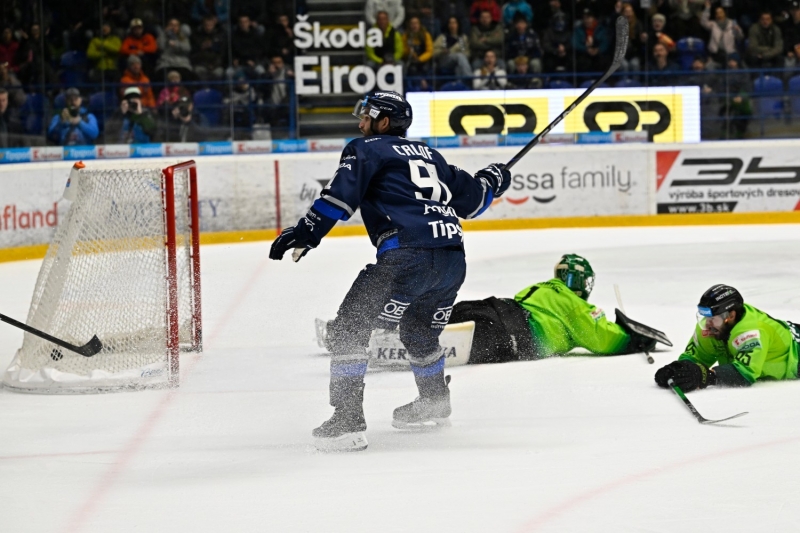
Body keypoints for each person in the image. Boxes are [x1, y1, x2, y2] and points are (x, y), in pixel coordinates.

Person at [269, 91, 511, 452]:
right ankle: (434, 401)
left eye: (366, 116)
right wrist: (493, 180)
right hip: (450, 261)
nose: (360, 122)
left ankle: (347, 419)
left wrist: (307, 232)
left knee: (349, 327)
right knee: (418, 330)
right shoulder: (431, 155)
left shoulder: (365, 149)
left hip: (406, 257)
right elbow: (473, 201)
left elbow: (340, 197)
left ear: (384, 122)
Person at [447, 254, 664, 363]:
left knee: (462, 311)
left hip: (499, 307)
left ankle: (428, 326)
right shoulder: (573, 304)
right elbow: (600, 337)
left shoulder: (541, 287)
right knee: (482, 337)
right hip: (514, 334)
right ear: (580, 281)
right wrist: (632, 338)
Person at [654, 285, 800, 392]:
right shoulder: (711, 326)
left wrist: (708, 376)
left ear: (731, 315)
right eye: (704, 316)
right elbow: (695, 358)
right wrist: (676, 369)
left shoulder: (752, 332)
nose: (707, 323)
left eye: (713, 317)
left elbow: (744, 374)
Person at [700, 2, 743, 69]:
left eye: (720, 12)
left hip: (729, 54)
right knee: (709, 67)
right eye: (717, 13)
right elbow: (703, 22)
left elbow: (740, 37)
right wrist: (707, 9)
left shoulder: (732, 23)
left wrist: (738, 30)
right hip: (715, 54)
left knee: (733, 65)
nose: (719, 14)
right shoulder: (712, 24)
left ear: (724, 13)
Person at [433, 16, 471, 82]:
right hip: (445, 61)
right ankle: (470, 79)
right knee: (459, 56)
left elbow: (468, 52)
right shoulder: (442, 37)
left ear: (458, 25)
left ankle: (460, 86)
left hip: (460, 61)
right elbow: (433, 52)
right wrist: (442, 51)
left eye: (454, 23)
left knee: (458, 67)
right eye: (450, 23)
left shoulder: (463, 37)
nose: (452, 25)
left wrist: (463, 56)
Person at [229, 14, 268, 79]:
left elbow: (259, 51)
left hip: (254, 63)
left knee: (261, 72)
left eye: (245, 22)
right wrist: (244, 60)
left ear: (249, 23)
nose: (243, 24)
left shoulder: (255, 35)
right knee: (229, 73)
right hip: (240, 63)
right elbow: (236, 51)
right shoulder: (235, 37)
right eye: (241, 22)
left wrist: (254, 61)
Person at [572, 8, 610, 73]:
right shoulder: (579, 29)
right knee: (581, 62)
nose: (586, 20)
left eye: (588, 18)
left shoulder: (601, 29)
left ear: (593, 18)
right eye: (584, 18)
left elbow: (605, 42)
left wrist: (598, 50)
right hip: (584, 55)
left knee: (604, 61)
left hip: (598, 54)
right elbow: (574, 43)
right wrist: (586, 49)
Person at [191, 15, 226, 81]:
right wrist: (201, 47)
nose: (208, 27)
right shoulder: (197, 36)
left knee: (218, 73)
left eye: (210, 25)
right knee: (198, 71)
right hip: (201, 64)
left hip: (216, 65)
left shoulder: (219, 36)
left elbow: (222, 54)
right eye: (206, 25)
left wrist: (214, 65)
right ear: (203, 25)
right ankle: (203, 90)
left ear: (214, 25)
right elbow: (194, 53)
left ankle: (216, 91)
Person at [403, 16, 434, 90]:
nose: (414, 26)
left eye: (416, 23)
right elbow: (403, 50)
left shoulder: (425, 35)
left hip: (423, 60)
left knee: (426, 68)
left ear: (419, 25)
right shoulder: (406, 36)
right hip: (411, 61)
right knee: (412, 69)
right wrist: (410, 52)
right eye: (412, 24)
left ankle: (426, 85)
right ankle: (418, 85)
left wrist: (420, 59)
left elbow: (429, 51)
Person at [783, 1, 800, 69]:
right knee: (789, 65)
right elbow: (785, 40)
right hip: (791, 53)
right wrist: (788, 51)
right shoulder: (786, 25)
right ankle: (787, 80)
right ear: (790, 11)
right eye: (793, 10)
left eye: (797, 10)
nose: (795, 12)